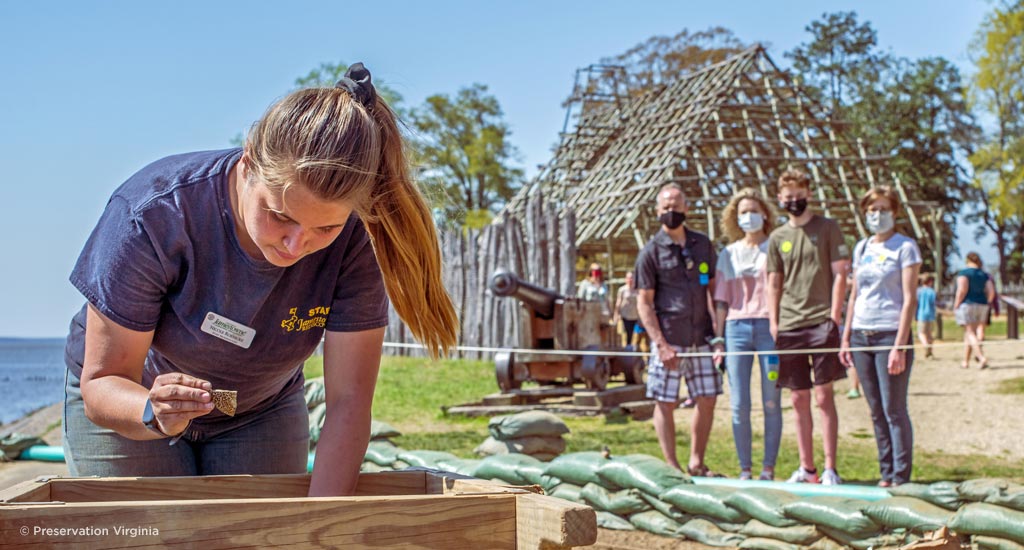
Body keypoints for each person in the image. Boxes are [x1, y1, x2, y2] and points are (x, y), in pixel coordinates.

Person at [61, 64, 458, 497]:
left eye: (323, 229)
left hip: (259, 409)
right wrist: (153, 411)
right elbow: (103, 381)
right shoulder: (154, 213)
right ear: (248, 162)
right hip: (134, 399)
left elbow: (348, 404)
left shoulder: (355, 239)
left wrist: (315, 527)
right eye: (280, 216)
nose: (295, 245)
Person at [766, 168, 851, 485]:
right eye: (788, 197)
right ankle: (807, 468)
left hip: (821, 322)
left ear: (808, 194)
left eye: (799, 195)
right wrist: (774, 321)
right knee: (798, 398)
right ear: (780, 199)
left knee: (823, 396)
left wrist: (834, 317)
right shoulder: (777, 237)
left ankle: (830, 467)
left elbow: (841, 273)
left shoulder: (827, 227)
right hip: (789, 324)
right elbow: (773, 282)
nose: (794, 201)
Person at [635, 183, 722, 476]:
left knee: (707, 398)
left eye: (676, 205)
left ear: (686, 207)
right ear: (658, 211)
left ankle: (696, 461)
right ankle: (671, 466)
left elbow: (713, 289)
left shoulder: (702, 244)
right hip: (670, 339)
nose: (671, 211)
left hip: (702, 336)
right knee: (666, 400)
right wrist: (660, 343)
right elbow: (644, 303)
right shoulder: (650, 252)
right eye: (665, 207)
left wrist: (718, 336)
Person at [839, 187, 921, 488]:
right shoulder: (862, 248)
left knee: (893, 409)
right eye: (872, 209)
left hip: (890, 334)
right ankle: (885, 472)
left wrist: (899, 345)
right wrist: (846, 337)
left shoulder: (905, 247)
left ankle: (901, 475)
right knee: (875, 410)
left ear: (894, 212)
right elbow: (855, 295)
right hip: (862, 333)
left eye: (883, 208)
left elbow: (910, 298)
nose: (877, 214)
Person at [711, 188, 782, 481]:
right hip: (736, 328)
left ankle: (768, 467)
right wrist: (718, 337)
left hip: (768, 328)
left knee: (771, 401)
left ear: (764, 213)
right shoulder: (728, 254)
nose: (748, 217)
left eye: (753, 210)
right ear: (734, 218)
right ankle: (745, 468)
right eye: (742, 212)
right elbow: (721, 299)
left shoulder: (776, 246)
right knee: (739, 403)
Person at [953, 252, 996, 369]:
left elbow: (962, 290)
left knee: (970, 332)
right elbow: (991, 291)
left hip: (968, 304)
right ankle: (965, 361)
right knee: (975, 332)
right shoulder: (984, 275)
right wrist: (988, 301)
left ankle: (981, 357)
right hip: (983, 304)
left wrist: (956, 304)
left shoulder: (964, 273)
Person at [613, 271, 640, 348]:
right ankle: (627, 352)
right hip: (625, 317)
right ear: (626, 279)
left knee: (636, 337)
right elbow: (618, 304)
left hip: (636, 317)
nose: (630, 280)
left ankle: (635, 353)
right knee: (626, 336)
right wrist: (616, 316)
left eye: (632, 278)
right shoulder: (622, 290)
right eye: (628, 278)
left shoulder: (637, 290)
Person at [916, 274, 937, 359]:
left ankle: (926, 347)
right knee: (929, 334)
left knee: (921, 333)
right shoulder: (932, 291)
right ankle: (929, 352)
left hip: (921, 314)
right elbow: (934, 302)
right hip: (931, 314)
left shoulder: (918, 291)